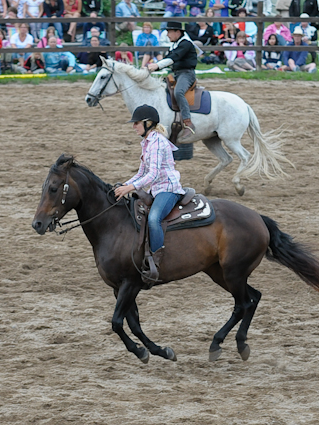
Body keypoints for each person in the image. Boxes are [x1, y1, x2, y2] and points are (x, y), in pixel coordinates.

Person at [114, 104, 185, 285]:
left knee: (153, 219)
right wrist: (125, 184)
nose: (133, 126)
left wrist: (130, 188)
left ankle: (156, 262)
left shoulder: (157, 143)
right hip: (156, 189)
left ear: (148, 123)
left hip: (168, 189)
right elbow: (141, 173)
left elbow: (152, 175)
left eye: (136, 123)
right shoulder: (147, 142)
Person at [147, 21, 201, 141]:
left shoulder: (185, 44)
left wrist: (157, 66)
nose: (167, 35)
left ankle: (187, 122)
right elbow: (169, 58)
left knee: (178, 92)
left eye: (169, 32)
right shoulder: (177, 44)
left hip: (186, 74)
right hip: (178, 74)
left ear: (177, 32)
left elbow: (173, 58)